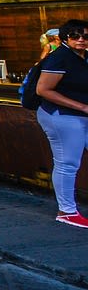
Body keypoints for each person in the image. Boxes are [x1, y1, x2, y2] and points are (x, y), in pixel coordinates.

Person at [34, 19, 88, 228]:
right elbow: (43, 90)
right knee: (67, 163)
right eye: (75, 36)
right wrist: (82, 107)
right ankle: (66, 211)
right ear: (65, 38)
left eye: (85, 36)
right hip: (61, 116)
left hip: (80, 115)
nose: (81, 40)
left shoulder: (82, 57)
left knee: (68, 162)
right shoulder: (59, 58)